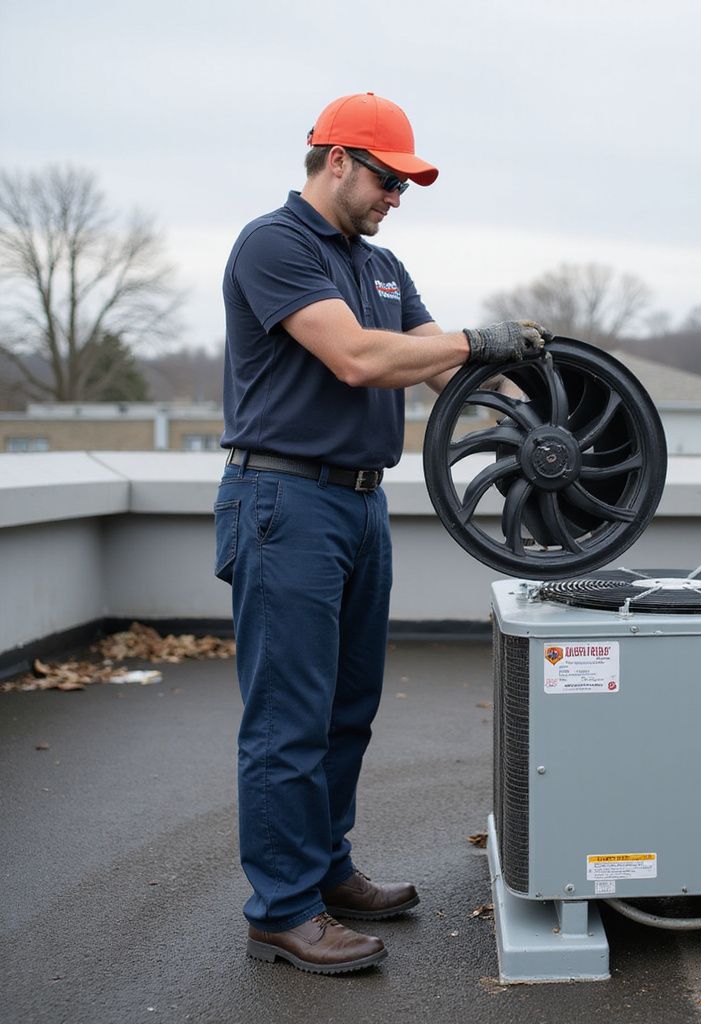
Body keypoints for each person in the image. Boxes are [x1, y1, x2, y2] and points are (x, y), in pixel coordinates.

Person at [214, 92, 549, 975]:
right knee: (289, 719)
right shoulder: (274, 245)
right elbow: (360, 358)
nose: (397, 196)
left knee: (346, 711)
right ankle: (281, 910)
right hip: (283, 503)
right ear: (335, 160)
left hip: (359, 505)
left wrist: (547, 425)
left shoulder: (382, 264)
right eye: (388, 178)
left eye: (405, 185)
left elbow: (446, 368)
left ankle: (325, 873)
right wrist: (479, 340)